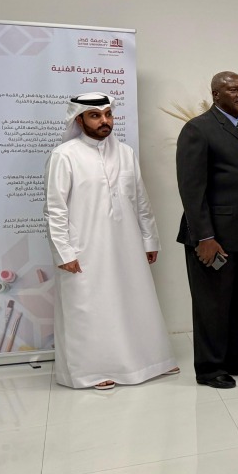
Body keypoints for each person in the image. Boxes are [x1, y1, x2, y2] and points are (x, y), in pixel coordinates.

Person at [44, 93, 177, 389]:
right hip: (85, 247)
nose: (104, 121)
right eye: (95, 115)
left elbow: (141, 200)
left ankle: (149, 362)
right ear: (79, 120)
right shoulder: (64, 155)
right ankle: (92, 371)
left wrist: (149, 240)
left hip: (126, 243)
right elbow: (55, 209)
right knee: (90, 306)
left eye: (108, 114)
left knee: (135, 299)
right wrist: (64, 252)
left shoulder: (126, 153)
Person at [175, 71, 238, 389]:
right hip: (214, 238)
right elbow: (191, 189)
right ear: (216, 94)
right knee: (212, 306)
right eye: (233, 89)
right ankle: (210, 368)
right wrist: (204, 237)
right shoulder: (198, 129)